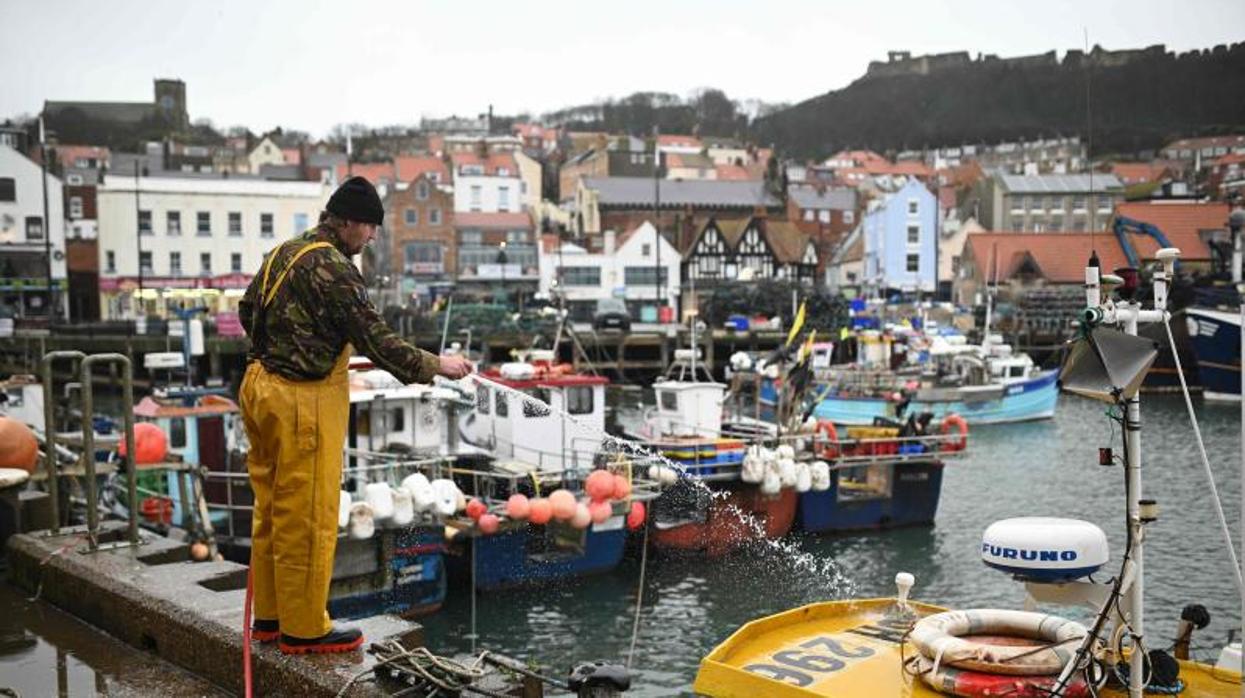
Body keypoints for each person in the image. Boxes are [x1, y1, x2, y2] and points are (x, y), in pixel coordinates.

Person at [238, 176, 472, 654]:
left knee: (271, 510)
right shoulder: (335, 268)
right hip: (302, 399)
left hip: (258, 388)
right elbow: (376, 340)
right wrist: (438, 366)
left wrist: (294, 339)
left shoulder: (286, 252)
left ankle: (270, 618)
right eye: (369, 228)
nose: (371, 238)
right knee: (308, 515)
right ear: (348, 222)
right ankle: (304, 629)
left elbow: (247, 311)